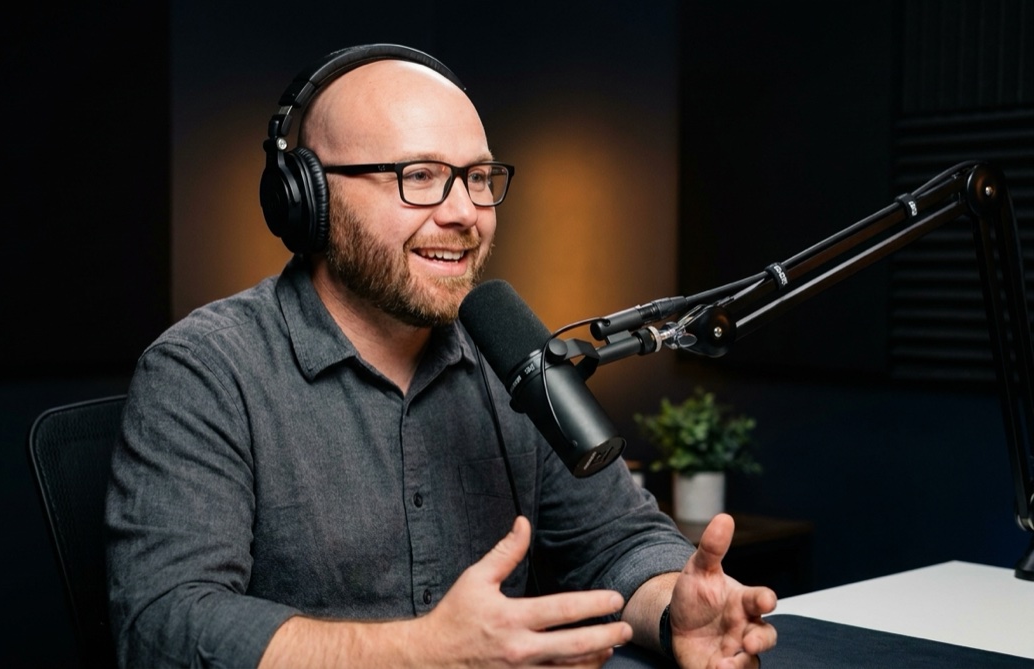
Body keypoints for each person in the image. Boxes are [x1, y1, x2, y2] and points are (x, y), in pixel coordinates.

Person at [105, 44, 777, 669]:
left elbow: (619, 541)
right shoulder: (204, 370)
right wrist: (424, 650)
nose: (466, 212)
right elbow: (165, 622)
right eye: (419, 175)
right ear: (306, 198)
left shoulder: (509, 356)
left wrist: (674, 606)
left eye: (478, 177)